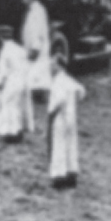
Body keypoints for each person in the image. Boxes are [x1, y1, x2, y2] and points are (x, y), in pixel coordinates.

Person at [46, 55, 86, 190]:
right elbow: (81, 91)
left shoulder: (57, 81)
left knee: (59, 144)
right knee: (71, 144)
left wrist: (51, 112)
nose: (51, 67)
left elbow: (60, 99)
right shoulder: (69, 80)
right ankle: (71, 173)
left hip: (60, 116)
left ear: (58, 66)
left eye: (52, 65)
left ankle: (59, 176)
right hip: (71, 117)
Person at [0, 25, 32, 142]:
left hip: (12, 82)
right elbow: (27, 65)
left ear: (0, 37)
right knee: (18, 107)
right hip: (22, 81)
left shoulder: (5, 51)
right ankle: (19, 131)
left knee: (9, 107)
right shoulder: (20, 49)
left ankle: (11, 133)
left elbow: (3, 71)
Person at [20, 0, 54, 105]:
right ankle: (37, 95)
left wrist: (35, 48)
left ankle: (41, 96)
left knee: (39, 71)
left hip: (37, 47)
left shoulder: (37, 11)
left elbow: (37, 30)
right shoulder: (34, 9)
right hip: (34, 46)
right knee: (37, 72)